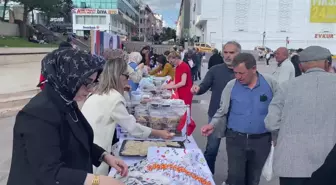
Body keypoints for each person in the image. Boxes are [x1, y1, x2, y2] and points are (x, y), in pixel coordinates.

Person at [7, 48, 127, 185]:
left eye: (93, 82)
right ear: (68, 77)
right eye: (86, 82)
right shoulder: (37, 115)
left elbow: (79, 141)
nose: (90, 89)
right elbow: (50, 172)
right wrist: (97, 181)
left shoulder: (67, 100)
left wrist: (105, 156)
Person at [81, 56, 174, 175]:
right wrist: (159, 133)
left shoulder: (97, 93)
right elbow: (133, 128)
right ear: (118, 76)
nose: (128, 79)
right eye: (126, 76)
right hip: (98, 154)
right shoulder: (113, 98)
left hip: (87, 151)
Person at [201, 53, 279, 185]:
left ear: (253, 69)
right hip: (235, 139)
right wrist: (212, 124)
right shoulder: (231, 86)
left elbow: (280, 107)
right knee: (235, 178)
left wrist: (278, 134)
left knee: (253, 178)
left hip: (262, 140)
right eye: (235, 73)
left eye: (241, 73)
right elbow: (222, 110)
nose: (238, 77)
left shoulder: (270, 83)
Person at [265, 46, 336, 185]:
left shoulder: (286, 87)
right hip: (329, 164)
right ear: (328, 63)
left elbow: (271, 122)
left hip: (291, 164)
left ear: (301, 66)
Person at [191, 41, 239, 174]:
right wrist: (197, 88)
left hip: (237, 119)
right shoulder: (215, 70)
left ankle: (232, 181)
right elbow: (204, 85)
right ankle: (206, 177)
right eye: (226, 52)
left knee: (235, 155)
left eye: (232, 52)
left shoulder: (243, 71)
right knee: (211, 150)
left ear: (239, 53)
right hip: (216, 117)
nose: (228, 55)